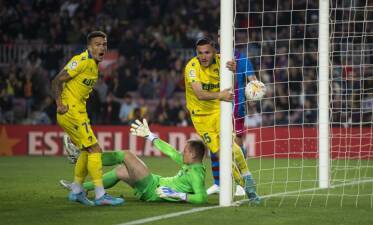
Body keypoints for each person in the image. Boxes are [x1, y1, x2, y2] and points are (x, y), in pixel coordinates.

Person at [51, 31, 124, 206]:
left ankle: (76, 191)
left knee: (86, 150)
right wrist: (59, 104)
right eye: (98, 44)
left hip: (79, 113)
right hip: (71, 112)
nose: (102, 47)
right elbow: (56, 80)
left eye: (104, 44)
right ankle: (100, 195)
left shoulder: (94, 64)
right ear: (89, 47)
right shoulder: (82, 61)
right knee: (95, 150)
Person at [184, 37, 260, 203]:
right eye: (200, 53)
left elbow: (231, 84)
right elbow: (199, 94)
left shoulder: (222, 62)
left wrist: (233, 72)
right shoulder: (191, 67)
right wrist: (221, 95)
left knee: (232, 146)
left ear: (214, 52)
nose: (203, 56)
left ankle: (248, 182)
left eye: (207, 52)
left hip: (219, 111)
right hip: (201, 117)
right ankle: (245, 186)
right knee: (220, 155)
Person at [60, 119, 208, 204]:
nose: (182, 152)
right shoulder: (189, 163)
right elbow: (170, 151)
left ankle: (88, 157)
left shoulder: (196, 174)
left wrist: (178, 195)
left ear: (194, 155)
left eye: (186, 151)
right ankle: (79, 187)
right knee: (120, 171)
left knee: (126, 155)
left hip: (152, 189)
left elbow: (202, 198)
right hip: (154, 183)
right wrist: (150, 136)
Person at [207, 31, 259, 196]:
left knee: (236, 144)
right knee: (213, 144)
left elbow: (253, 81)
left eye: (226, 35)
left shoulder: (242, 58)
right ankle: (218, 183)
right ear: (218, 38)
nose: (222, 38)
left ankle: (241, 184)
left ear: (232, 38)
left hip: (237, 106)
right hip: (216, 106)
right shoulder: (213, 58)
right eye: (220, 35)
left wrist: (256, 88)